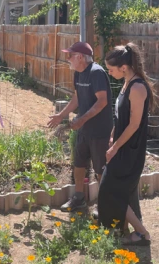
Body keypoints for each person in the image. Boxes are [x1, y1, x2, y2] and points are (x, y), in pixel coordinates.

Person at [97, 43, 155, 245]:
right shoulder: (126, 83)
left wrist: (115, 147)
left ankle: (142, 234)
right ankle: (120, 228)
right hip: (122, 146)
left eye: (111, 70)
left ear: (123, 67)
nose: (109, 73)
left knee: (113, 191)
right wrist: (113, 136)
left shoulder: (137, 87)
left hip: (130, 150)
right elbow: (120, 117)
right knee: (111, 189)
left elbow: (134, 125)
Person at [48, 41, 113, 212]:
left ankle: (103, 204)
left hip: (99, 131)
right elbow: (77, 98)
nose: (68, 59)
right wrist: (61, 115)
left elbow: (102, 101)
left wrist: (81, 120)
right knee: (79, 164)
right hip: (84, 129)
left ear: (80, 57)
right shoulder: (78, 73)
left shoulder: (96, 73)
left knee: (100, 169)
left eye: (70, 56)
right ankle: (78, 198)